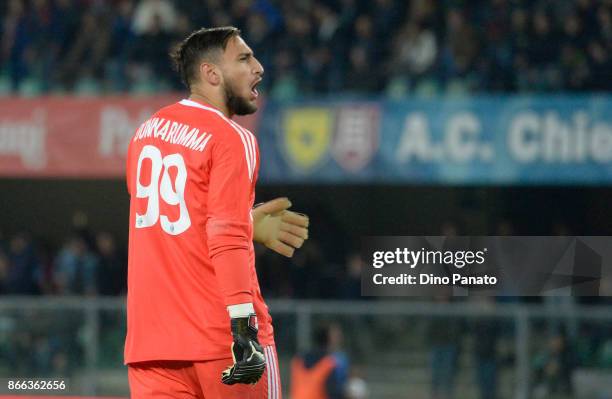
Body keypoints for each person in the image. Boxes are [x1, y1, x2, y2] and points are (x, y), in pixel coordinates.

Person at [124, 26, 309, 399]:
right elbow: (225, 239)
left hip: (151, 347)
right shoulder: (232, 137)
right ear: (211, 73)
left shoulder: (145, 133)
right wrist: (243, 333)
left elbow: (168, 226)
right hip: (220, 341)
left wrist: (245, 222)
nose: (258, 67)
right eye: (244, 59)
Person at [290, 323, 350, 399]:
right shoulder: (329, 363)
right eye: (337, 336)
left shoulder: (299, 360)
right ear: (329, 339)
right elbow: (333, 393)